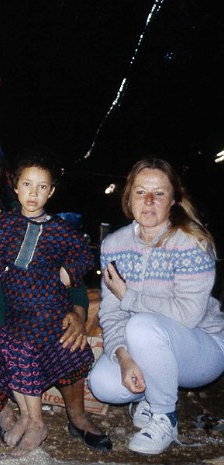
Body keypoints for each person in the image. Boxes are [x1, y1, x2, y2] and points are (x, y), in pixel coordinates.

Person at [0, 137, 112, 453]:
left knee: (67, 339)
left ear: (4, 174)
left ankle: (77, 416)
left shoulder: (23, 211)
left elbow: (68, 262)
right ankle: (7, 415)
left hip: (31, 313)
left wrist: (77, 311)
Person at [88, 158, 224, 455]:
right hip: (146, 343)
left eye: (159, 193)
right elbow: (111, 312)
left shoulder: (191, 242)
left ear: (173, 199)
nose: (148, 200)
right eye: (140, 192)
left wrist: (129, 296)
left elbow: (188, 315)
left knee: (141, 324)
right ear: (129, 197)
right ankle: (149, 396)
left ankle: (164, 416)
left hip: (202, 349)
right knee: (102, 384)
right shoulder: (113, 245)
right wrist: (124, 357)